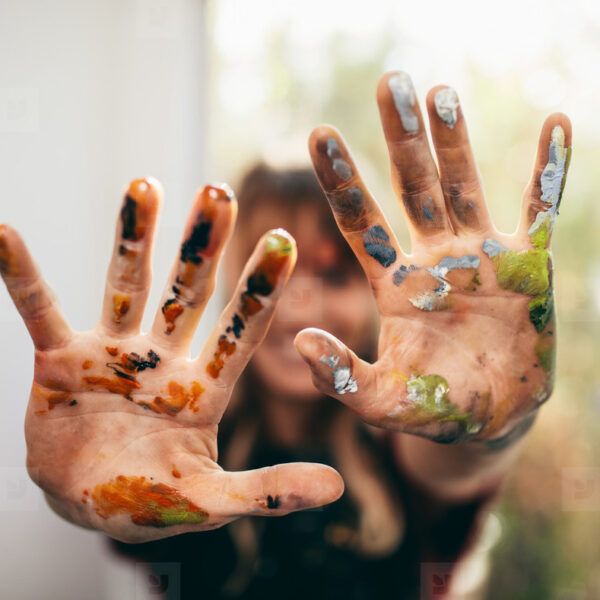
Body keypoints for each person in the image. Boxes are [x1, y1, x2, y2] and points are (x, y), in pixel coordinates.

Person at [0, 72, 571, 599]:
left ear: (384, 295)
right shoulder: (169, 437)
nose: (301, 307)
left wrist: (489, 425)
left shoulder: (408, 441)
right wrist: (85, 484)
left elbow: (460, 462)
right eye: (272, 277)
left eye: (333, 274)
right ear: (231, 289)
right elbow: (122, 502)